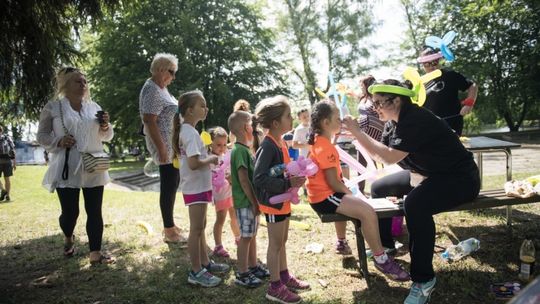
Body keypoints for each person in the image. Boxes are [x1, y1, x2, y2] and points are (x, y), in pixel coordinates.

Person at [343, 79, 480, 304]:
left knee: (415, 204)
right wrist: (357, 135)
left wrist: (358, 133)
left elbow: (387, 156)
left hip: (460, 178)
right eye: (373, 103)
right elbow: (383, 154)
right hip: (428, 173)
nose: (375, 108)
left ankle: (424, 280)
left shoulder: (415, 119)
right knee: (378, 188)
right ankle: (387, 245)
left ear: (397, 100)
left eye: (379, 103)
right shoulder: (393, 122)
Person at [306, 101, 410, 281]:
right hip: (325, 198)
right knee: (368, 212)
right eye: (337, 118)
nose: (340, 121)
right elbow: (332, 182)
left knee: (366, 210)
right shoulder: (324, 146)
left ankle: (379, 254)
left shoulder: (321, 141)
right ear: (325, 123)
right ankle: (381, 259)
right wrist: (350, 193)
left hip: (328, 194)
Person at [37, 67, 115, 265]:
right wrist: (59, 141)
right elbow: (42, 136)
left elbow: (106, 136)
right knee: (71, 213)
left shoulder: (93, 106)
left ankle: (95, 253)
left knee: (95, 210)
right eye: (77, 81)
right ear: (65, 85)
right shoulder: (54, 108)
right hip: (67, 166)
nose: (83, 85)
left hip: (93, 164)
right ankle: (69, 237)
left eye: (84, 81)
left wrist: (106, 126)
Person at [253, 96, 309, 304]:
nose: (292, 118)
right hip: (273, 203)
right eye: (288, 116)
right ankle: (275, 286)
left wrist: (294, 178)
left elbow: (282, 170)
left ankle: (284, 276)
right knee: (275, 244)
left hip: (283, 200)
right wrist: (288, 184)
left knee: (282, 241)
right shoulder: (268, 146)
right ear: (276, 123)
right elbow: (259, 178)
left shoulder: (281, 142)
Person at [172, 90, 230, 287]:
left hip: (200, 186)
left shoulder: (191, 131)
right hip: (195, 187)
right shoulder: (188, 132)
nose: (206, 108)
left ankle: (205, 263)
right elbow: (195, 163)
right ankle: (195, 271)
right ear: (189, 110)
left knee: (201, 226)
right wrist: (212, 159)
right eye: (202, 106)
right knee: (196, 229)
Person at [139, 53, 185, 243]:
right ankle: (169, 231)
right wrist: (162, 149)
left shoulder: (162, 89)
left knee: (173, 184)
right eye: (171, 72)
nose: (173, 77)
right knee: (168, 186)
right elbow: (149, 121)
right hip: (164, 147)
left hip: (171, 146)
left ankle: (171, 224)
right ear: (160, 69)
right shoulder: (151, 89)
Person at [228, 110, 269, 288]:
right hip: (246, 203)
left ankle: (252, 267)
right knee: (245, 237)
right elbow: (244, 180)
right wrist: (254, 203)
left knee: (251, 235)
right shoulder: (239, 151)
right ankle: (242, 274)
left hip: (250, 203)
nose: (253, 128)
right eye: (251, 124)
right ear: (246, 127)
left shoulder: (244, 150)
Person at [418, 47, 478, 136]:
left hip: (451, 126)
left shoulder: (450, 75)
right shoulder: (420, 82)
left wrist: (469, 104)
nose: (431, 66)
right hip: (428, 128)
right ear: (423, 65)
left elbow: (473, 86)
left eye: (434, 62)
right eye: (427, 64)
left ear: (439, 60)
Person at [208, 126, 240, 258]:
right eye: (218, 145)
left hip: (231, 191)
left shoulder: (226, 155)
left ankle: (238, 238)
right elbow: (214, 176)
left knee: (234, 216)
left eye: (223, 144)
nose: (222, 148)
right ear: (211, 144)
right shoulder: (209, 159)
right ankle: (218, 246)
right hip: (220, 194)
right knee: (220, 219)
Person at [0, 125, 16, 202]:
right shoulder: (7, 138)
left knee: (6, 179)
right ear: (1, 131)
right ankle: (8, 196)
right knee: (7, 179)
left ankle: (3, 190)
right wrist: (14, 163)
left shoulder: (6, 138)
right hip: (8, 160)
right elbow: (13, 150)